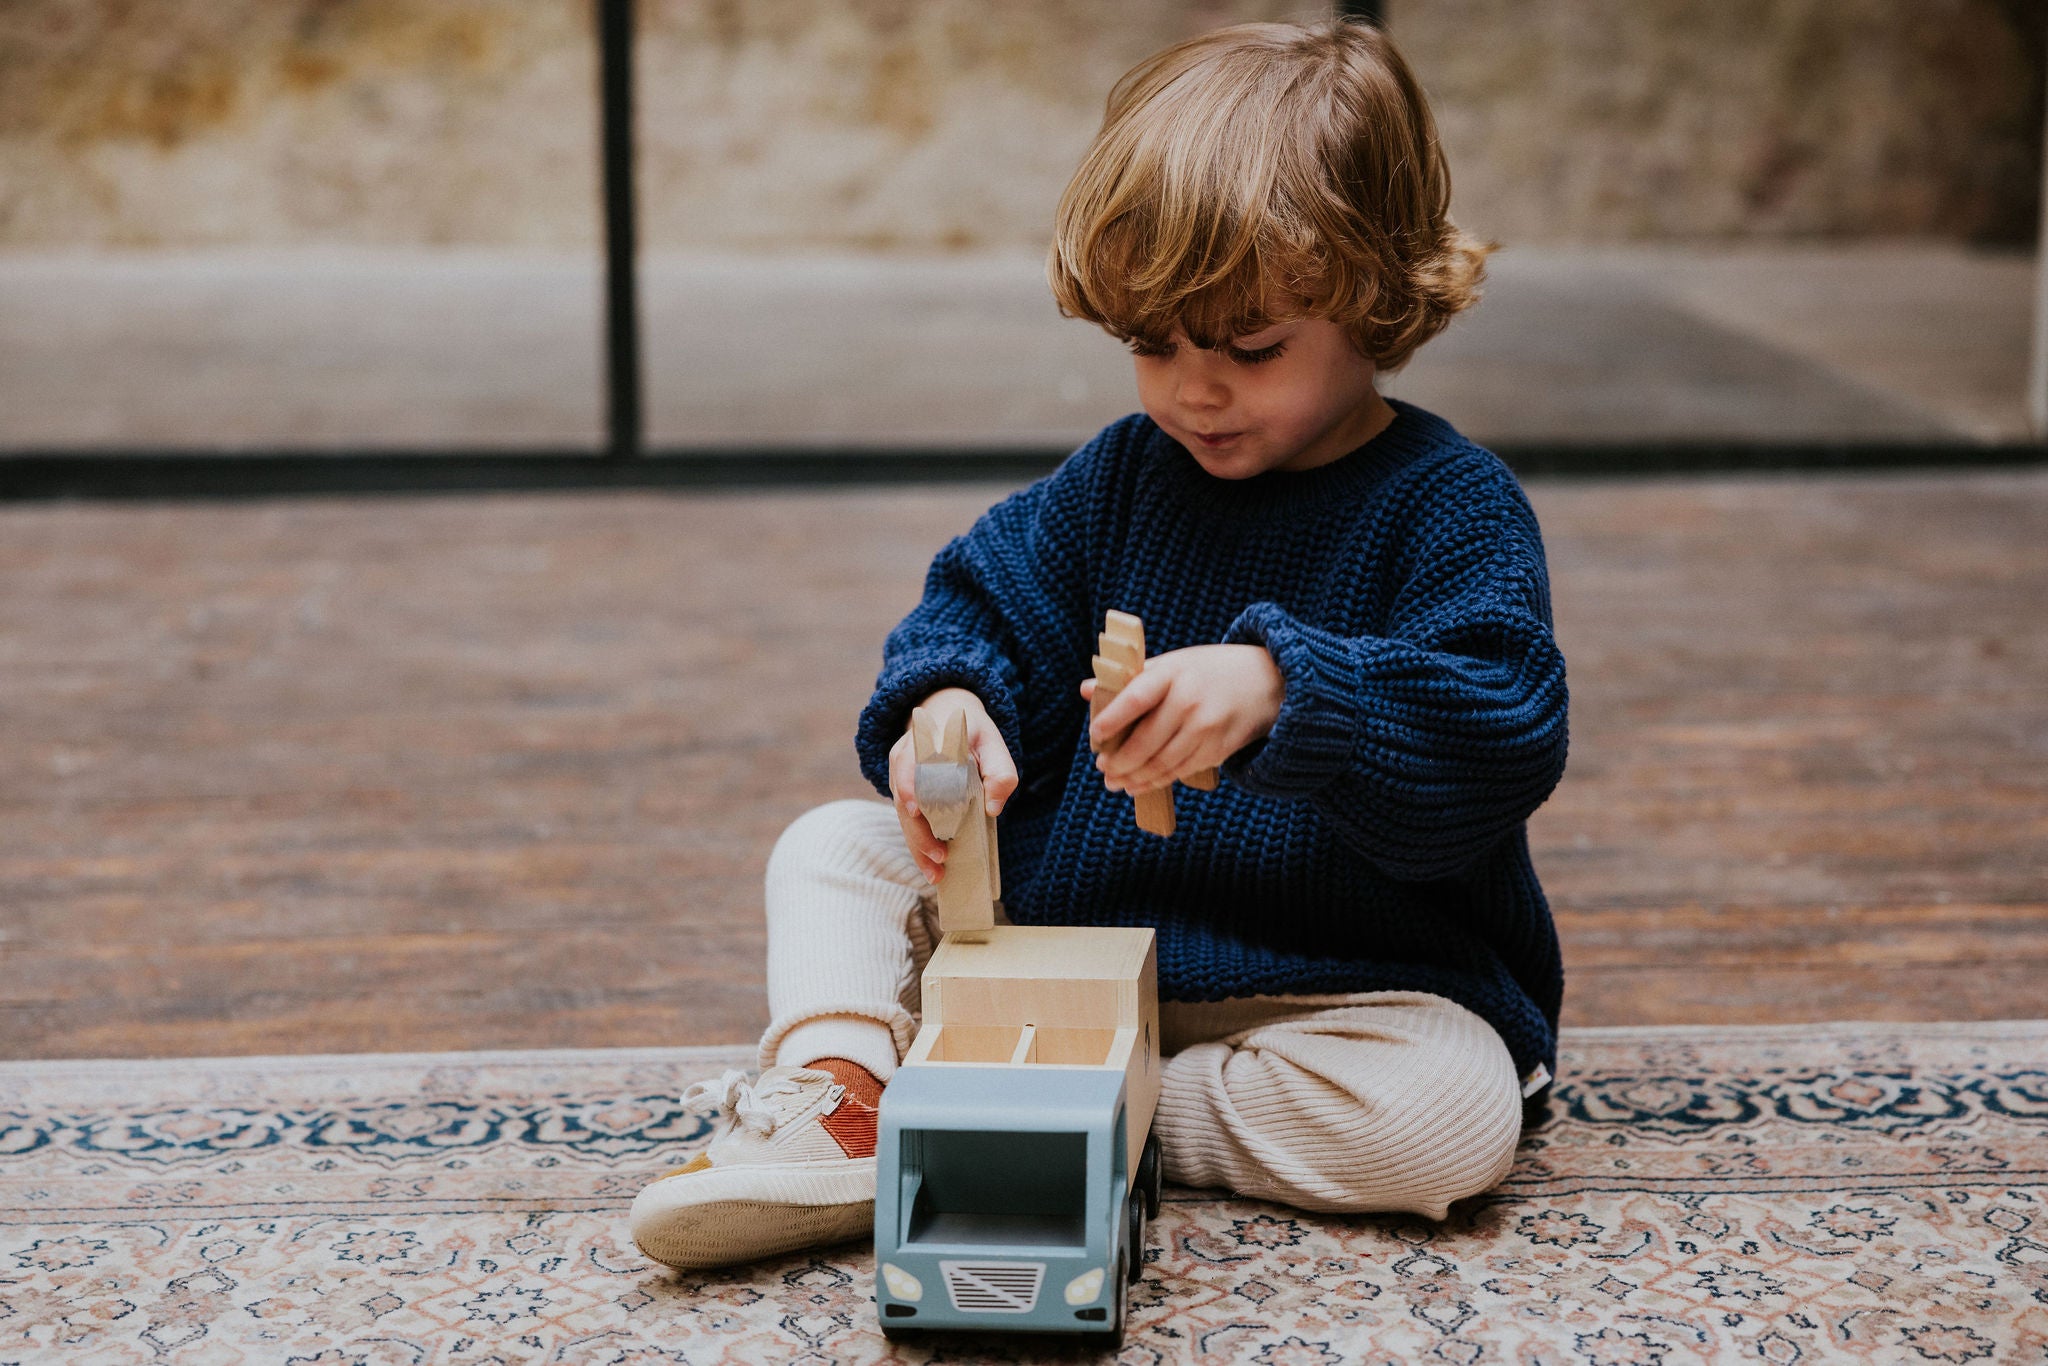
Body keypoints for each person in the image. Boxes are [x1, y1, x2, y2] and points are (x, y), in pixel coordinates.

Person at [630, 18, 1568, 1272]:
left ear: (1374, 294)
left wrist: (1287, 689)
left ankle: (1048, 1115)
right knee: (830, 851)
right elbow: (979, 602)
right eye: (1149, 344)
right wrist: (948, 709)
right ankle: (843, 1099)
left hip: (1332, 980)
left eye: (1249, 347)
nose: (1193, 390)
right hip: (1073, 934)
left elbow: (1500, 721)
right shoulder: (1122, 480)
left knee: (1448, 1118)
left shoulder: (1448, 504)